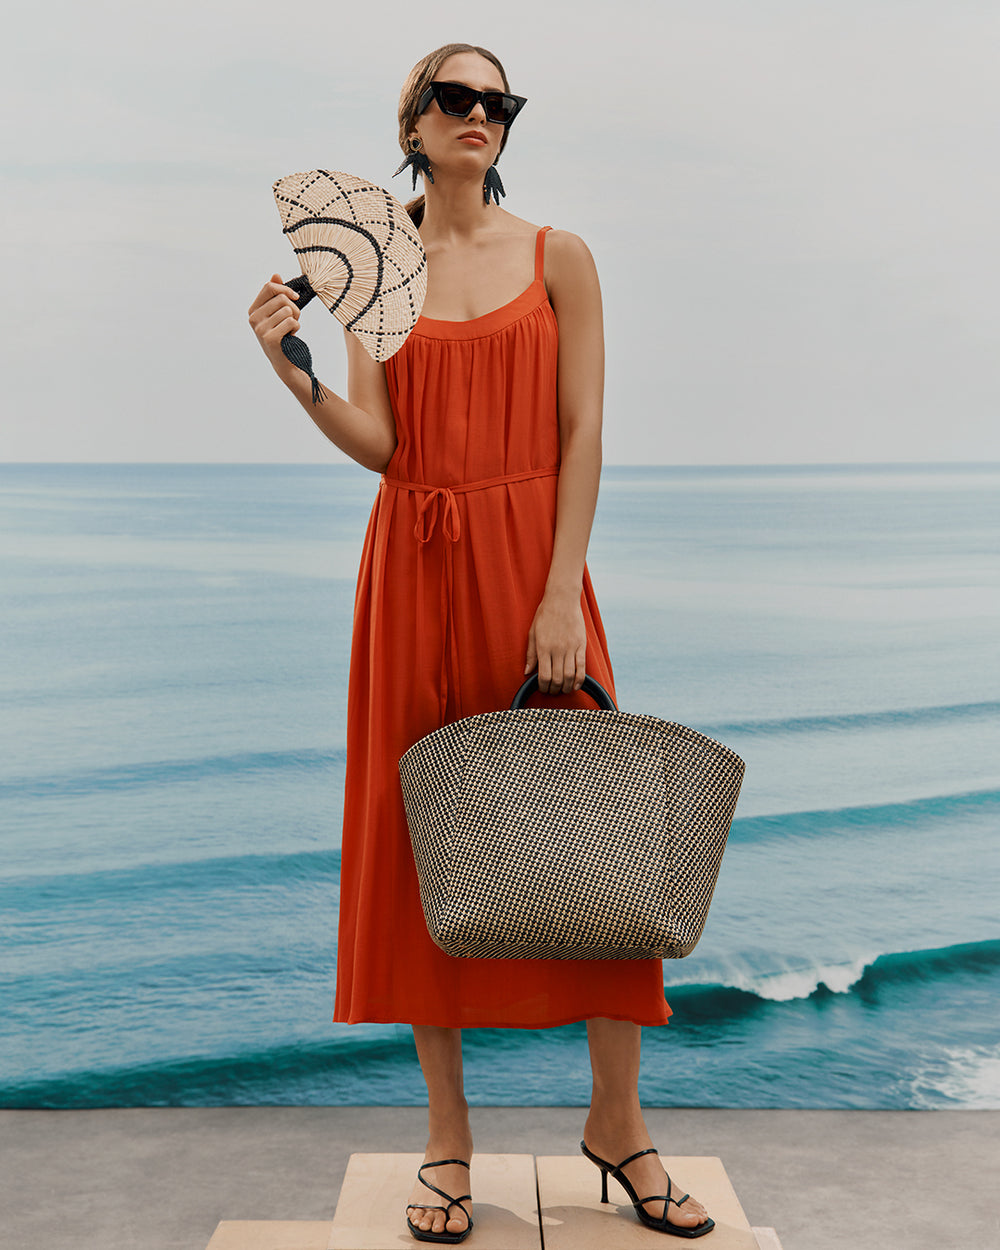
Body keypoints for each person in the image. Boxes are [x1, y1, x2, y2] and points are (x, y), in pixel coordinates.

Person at [248, 42, 713, 1244]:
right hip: (411, 564)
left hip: (530, 561)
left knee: (605, 834)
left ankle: (620, 1121)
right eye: (455, 98)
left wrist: (559, 592)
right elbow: (385, 446)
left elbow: (585, 429)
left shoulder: (558, 255)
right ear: (412, 118)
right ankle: (446, 1141)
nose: (479, 116)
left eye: (497, 103)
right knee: (424, 852)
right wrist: (288, 369)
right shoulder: (375, 267)